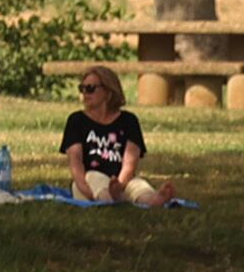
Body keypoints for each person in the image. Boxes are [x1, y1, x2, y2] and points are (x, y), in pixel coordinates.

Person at [61, 66, 178, 208]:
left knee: (138, 185)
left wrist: (120, 185)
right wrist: (85, 189)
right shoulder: (76, 120)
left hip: (122, 179)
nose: (85, 93)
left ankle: (153, 200)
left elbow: (130, 162)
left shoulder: (128, 121)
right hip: (88, 181)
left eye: (90, 88)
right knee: (94, 177)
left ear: (108, 92)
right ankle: (109, 199)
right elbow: (76, 161)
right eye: (82, 88)